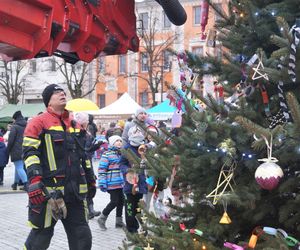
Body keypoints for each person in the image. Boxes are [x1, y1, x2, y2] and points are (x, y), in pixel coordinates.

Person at [23, 84, 94, 250]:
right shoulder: (37, 123)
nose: (62, 93)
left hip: (75, 193)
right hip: (48, 194)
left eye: (62, 91)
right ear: (48, 102)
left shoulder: (75, 124)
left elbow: (83, 155)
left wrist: (91, 179)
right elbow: (30, 153)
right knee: (39, 239)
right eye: (56, 93)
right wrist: (34, 180)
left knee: (82, 238)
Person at [120, 126, 148, 233]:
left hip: (141, 183)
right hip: (130, 183)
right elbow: (121, 163)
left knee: (139, 208)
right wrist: (127, 170)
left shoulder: (144, 147)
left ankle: (142, 228)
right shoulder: (126, 149)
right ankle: (131, 229)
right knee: (129, 208)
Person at [73, 112, 101, 220]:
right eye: (86, 121)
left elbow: (87, 149)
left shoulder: (86, 133)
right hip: (80, 164)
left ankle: (90, 209)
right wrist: (91, 148)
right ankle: (86, 210)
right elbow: (82, 150)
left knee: (91, 183)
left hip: (87, 162)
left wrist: (95, 146)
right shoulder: (76, 134)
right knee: (84, 186)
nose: (88, 123)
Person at [97, 135, 125, 230]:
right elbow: (102, 169)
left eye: (120, 141)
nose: (119, 142)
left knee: (121, 201)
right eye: (117, 141)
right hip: (112, 183)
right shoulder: (107, 154)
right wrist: (102, 182)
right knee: (114, 201)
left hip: (121, 183)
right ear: (112, 143)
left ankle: (119, 222)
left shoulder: (122, 154)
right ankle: (102, 218)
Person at [7, 110, 28, 190]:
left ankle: (26, 184)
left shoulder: (14, 127)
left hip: (16, 151)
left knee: (19, 167)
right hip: (26, 149)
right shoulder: (27, 125)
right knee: (19, 167)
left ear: (15, 119)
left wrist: (8, 150)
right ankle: (15, 184)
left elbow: (11, 140)